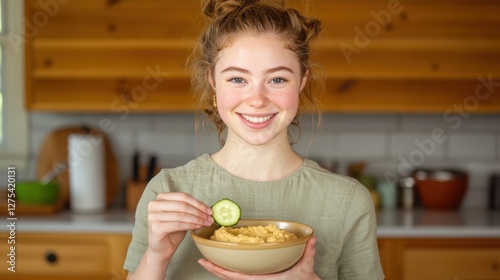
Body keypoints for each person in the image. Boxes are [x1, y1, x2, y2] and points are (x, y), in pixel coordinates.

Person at [124, 0, 384, 279]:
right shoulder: (167, 190)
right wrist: (157, 255)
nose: (257, 100)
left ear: (302, 81)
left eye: (277, 80)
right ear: (212, 80)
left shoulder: (347, 201)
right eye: (237, 79)